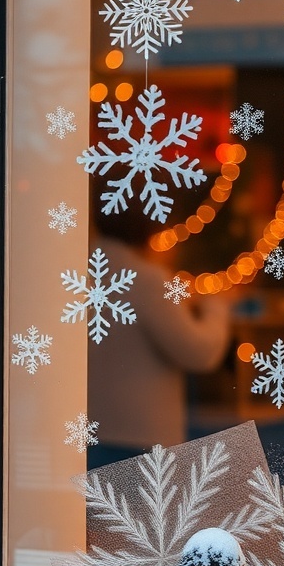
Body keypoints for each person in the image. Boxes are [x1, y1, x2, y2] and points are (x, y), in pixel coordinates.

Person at [87, 197, 231, 468]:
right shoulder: (146, 279)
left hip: (94, 434)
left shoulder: (83, 271)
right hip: (139, 441)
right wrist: (216, 306)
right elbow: (200, 352)